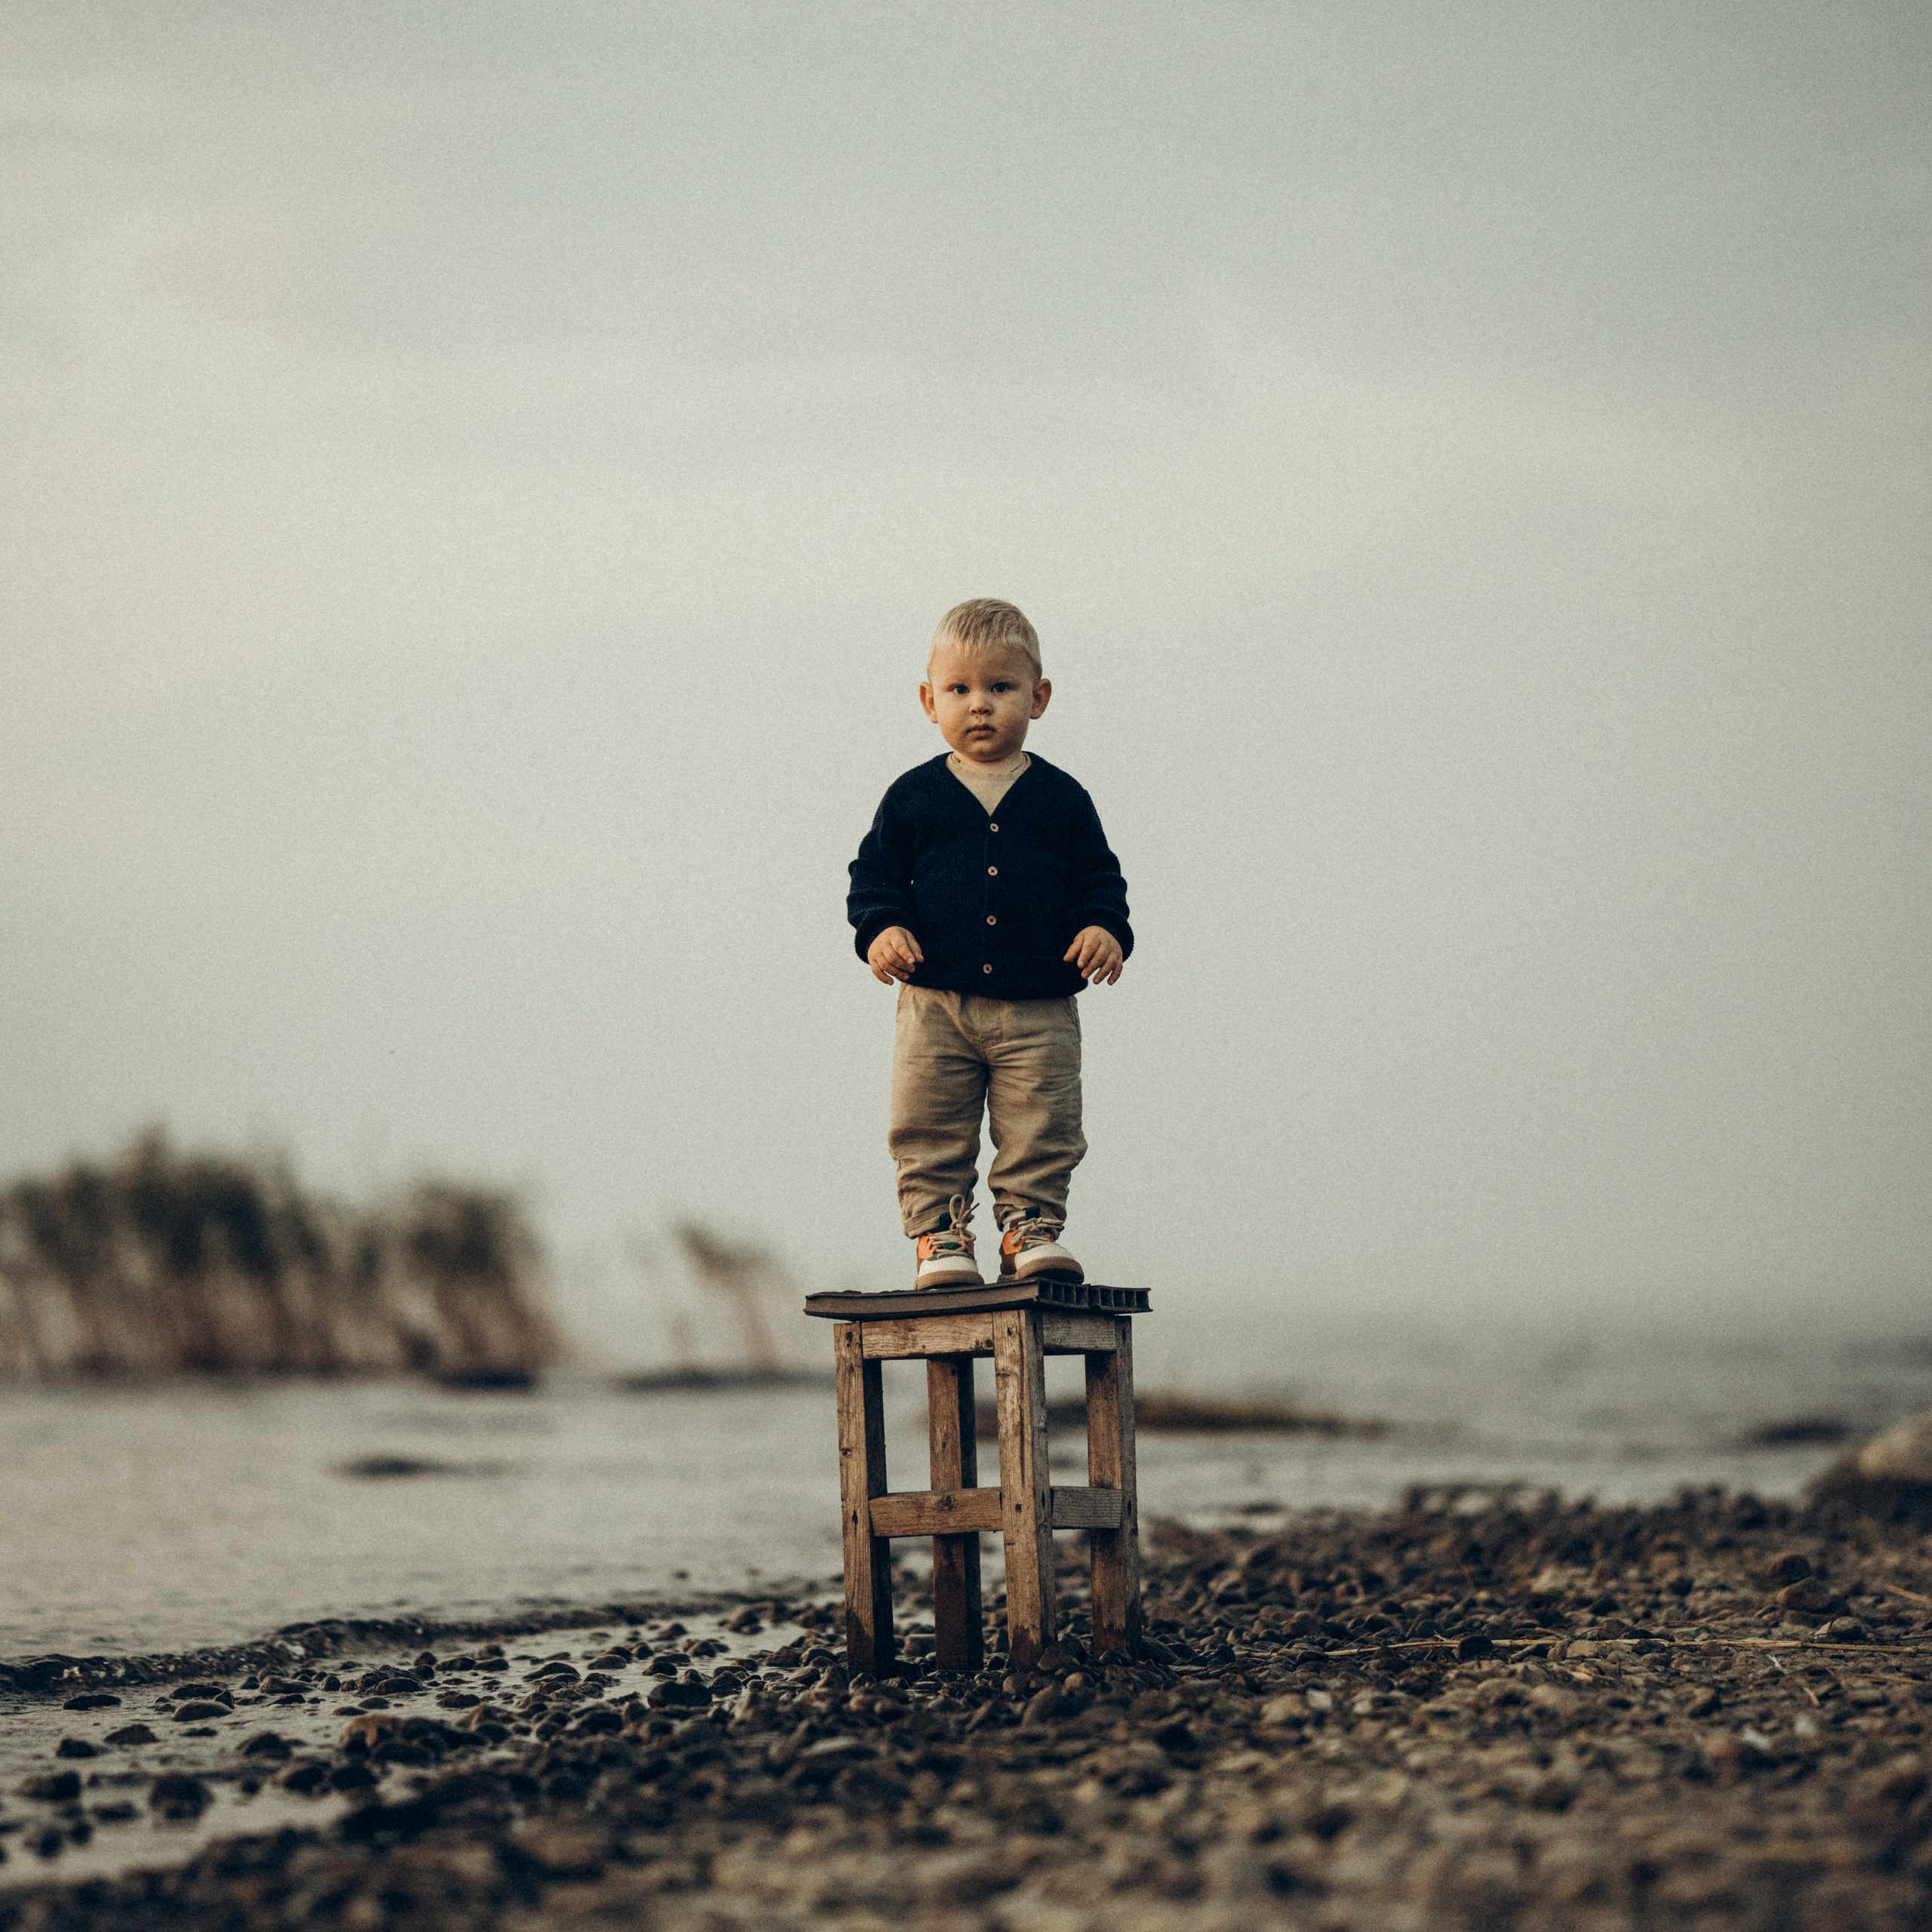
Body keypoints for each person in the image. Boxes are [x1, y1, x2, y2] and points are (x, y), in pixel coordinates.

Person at [847, 598, 1134, 1289]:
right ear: (929, 700)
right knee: (927, 1124)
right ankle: (940, 1236)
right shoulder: (913, 797)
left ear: (1039, 698)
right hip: (933, 1002)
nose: (980, 705)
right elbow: (873, 878)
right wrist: (882, 930)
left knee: (1043, 1123)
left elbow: (1100, 879)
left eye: (1001, 688)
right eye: (960, 689)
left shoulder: (1063, 799)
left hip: (1038, 1006)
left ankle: (1030, 1227)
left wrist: (1104, 928)